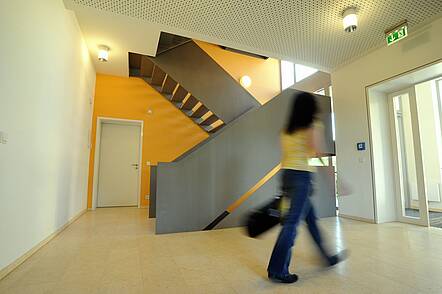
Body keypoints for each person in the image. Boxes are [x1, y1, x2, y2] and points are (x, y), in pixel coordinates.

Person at [267, 92, 346, 283]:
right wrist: (336, 180)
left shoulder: (286, 130)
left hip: (286, 176)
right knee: (292, 224)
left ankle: (327, 257)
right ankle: (277, 269)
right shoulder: (313, 124)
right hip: (301, 177)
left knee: (310, 219)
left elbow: (290, 155)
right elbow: (316, 152)